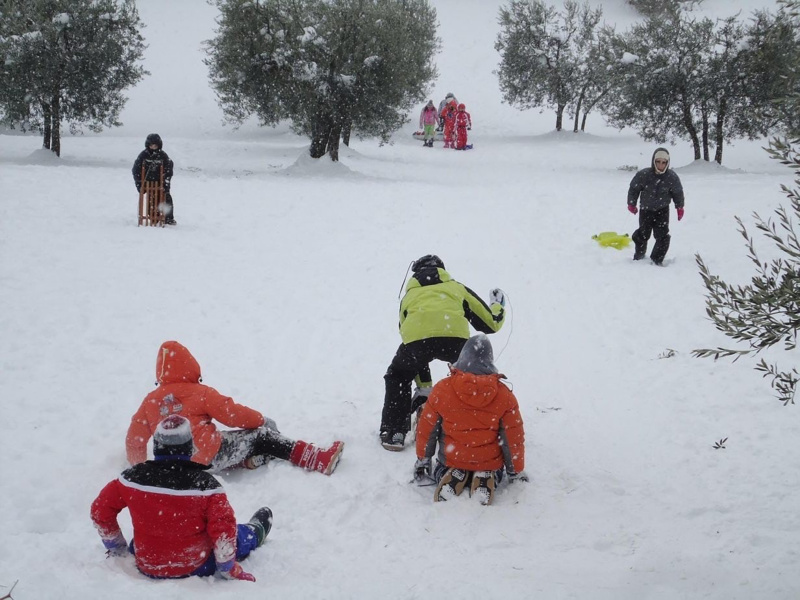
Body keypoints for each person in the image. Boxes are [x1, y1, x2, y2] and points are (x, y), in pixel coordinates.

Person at [91, 415, 273, 581]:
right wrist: (228, 568)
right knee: (238, 536)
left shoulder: (130, 479)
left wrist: (117, 548)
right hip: (197, 564)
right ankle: (256, 531)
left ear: (156, 446)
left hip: (147, 562)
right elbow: (224, 531)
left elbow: (100, 511)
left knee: (146, 539)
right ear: (188, 447)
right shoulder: (207, 487)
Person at [126, 340, 344, 475]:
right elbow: (233, 415)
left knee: (223, 439)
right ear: (190, 366)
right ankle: (317, 459)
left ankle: (249, 461)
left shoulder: (150, 400)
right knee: (261, 438)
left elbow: (134, 439)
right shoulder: (200, 393)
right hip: (208, 457)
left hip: (174, 467)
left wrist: (140, 468)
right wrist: (260, 420)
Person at [380, 255, 506, 451]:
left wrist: (424, 386)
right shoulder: (456, 288)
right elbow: (491, 323)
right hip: (454, 339)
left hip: (417, 342)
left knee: (399, 374)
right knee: (472, 377)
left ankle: (394, 431)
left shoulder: (409, 296)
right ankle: (482, 426)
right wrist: (498, 304)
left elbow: (407, 333)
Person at [413, 334, 527, 506]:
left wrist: (423, 458)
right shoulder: (504, 395)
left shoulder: (443, 389)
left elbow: (427, 429)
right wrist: (515, 471)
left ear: (462, 357)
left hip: (451, 459)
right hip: (489, 462)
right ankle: (484, 476)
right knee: (492, 470)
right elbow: (512, 438)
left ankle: (450, 474)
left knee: (444, 468)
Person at [627, 147, 685, 265]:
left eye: (664, 163)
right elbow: (634, 188)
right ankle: (639, 256)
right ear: (653, 161)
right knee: (643, 234)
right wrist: (631, 203)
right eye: (658, 162)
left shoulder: (671, 177)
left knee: (662, 236)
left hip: (662, 210)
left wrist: (679, 207)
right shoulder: (644, 175)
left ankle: (656, 260)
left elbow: (677, 192)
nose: (660, 165)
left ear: (667, 163)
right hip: (646, 210)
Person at [132, 133, 176, 225]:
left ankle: (168, 218)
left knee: (166, 198)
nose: (153, 147)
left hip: (160, 182)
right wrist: (139, 183)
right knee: (151, 200)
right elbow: (136, 169)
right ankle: (154, 217)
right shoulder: (143, 155)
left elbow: (168, 170)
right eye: (151, 145)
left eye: (155, 145)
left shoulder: (163, 155)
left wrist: (166, 183)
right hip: (148, 182)